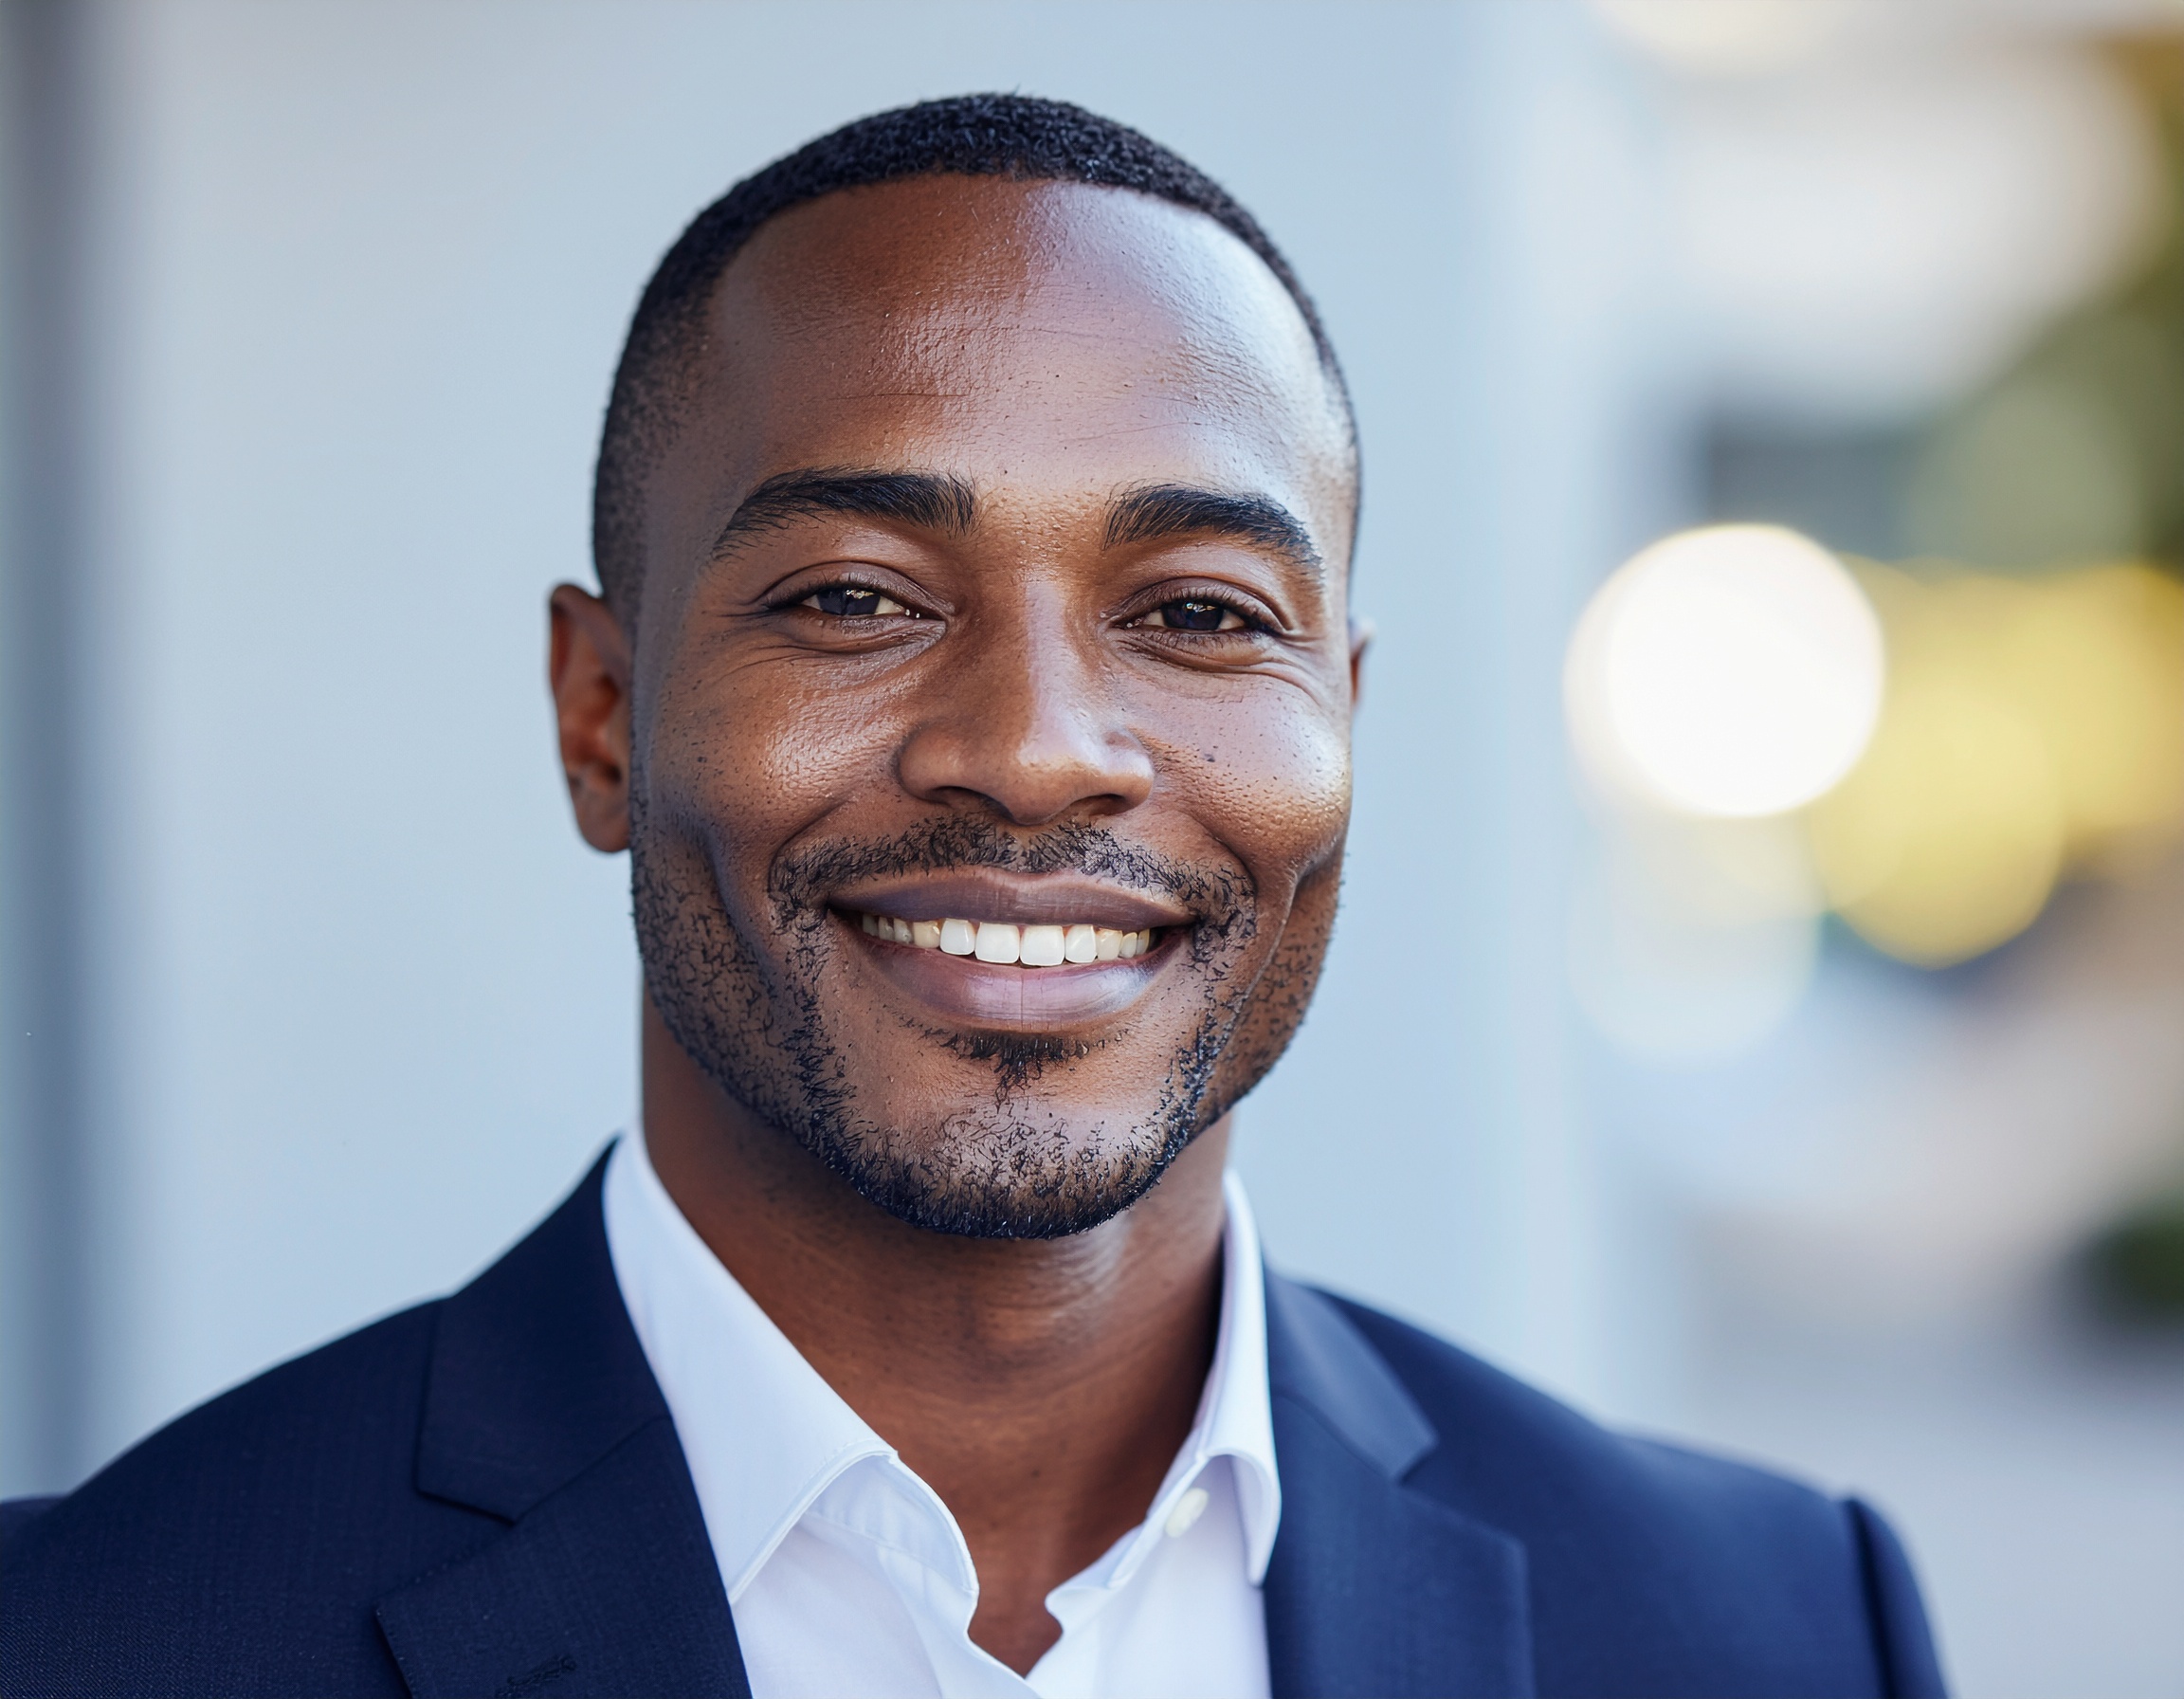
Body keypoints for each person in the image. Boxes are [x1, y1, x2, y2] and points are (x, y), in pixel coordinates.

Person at [0, 95, 1946, 1698]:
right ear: (601, 714)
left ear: (1341, 724)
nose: (1035, 747)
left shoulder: (1775, 1629)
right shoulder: (97, 1637)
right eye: (854, 597)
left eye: (1198, 615)